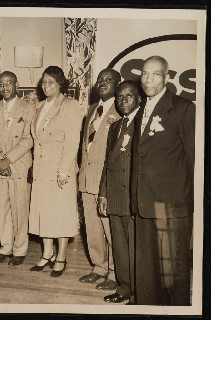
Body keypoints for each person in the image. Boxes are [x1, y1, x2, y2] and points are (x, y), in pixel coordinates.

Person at [131, 56, 195, 306]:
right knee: (147, 272)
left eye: (155, 74)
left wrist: (187, 204)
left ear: (166, 77)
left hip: (171, 204)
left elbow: (194, 160)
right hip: (144, 201)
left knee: (174, 274)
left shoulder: (183, 108)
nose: (148, 80)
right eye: (145, 74)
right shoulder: (141, 110)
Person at [29, 66, 83, 276]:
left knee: (61, 214)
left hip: (61, 169)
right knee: (45, 213)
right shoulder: (39, 106)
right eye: (44, 82)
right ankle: (47, 254)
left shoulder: (70, 105)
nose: (46, 86)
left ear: (61, 84)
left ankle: (61, 256)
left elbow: (72, 141)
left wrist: (63, 171)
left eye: (51, 82)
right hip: (42, 170)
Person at [0, 71, 35, 266]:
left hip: (19, 165)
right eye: (2, 84)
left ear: (16, 85)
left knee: (20, 209)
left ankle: (20, 250)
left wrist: (8, 160)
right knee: (2, 209)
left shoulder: (29, 108)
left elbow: (29, 138)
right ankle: (5, 248)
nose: (5, 87)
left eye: (9, 83)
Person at [98, 81, 141, 304]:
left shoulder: (143, 123)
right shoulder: (115, 127)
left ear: (139, 99)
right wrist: (103, 194)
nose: (123, 101)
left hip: (133, 195)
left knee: (135, 247)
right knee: (121, 248)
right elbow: (107, 163)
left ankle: (139, 292)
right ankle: (124, 288)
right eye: (120, 97)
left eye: (129, 96)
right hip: (115, 194)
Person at [78, 68, 121, 289]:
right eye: (100, 79)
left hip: (107, 180)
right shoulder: (93, 109)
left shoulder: (121, 107)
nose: (102, 83)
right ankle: (99, 267)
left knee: (110, 229)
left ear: (118, 84)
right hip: (87, 178)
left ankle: (115, 273)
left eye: (108, 80)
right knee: (92, 227)